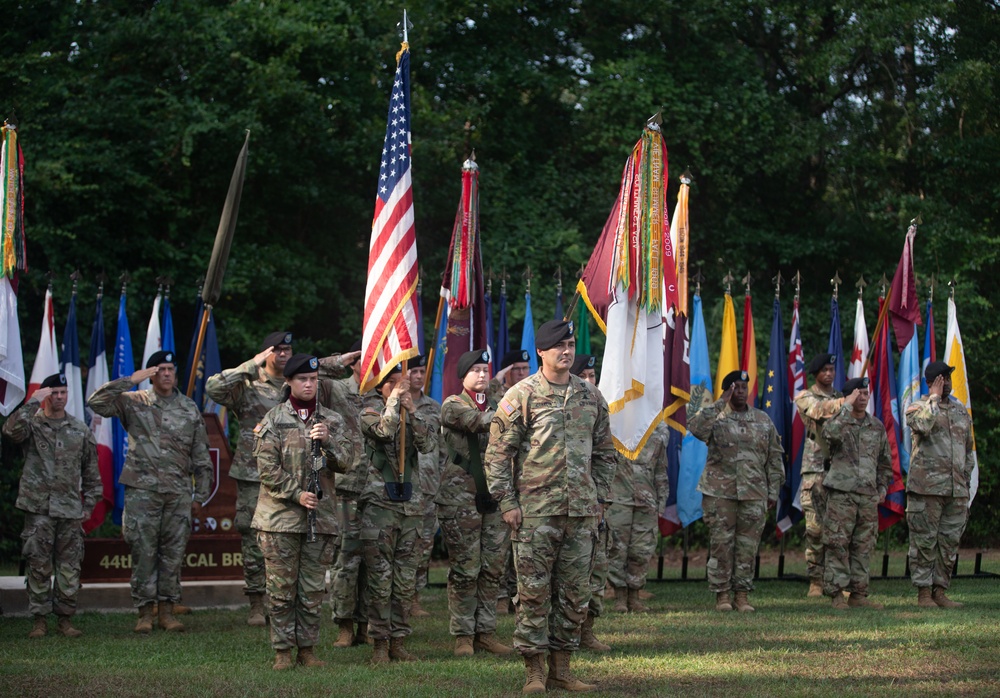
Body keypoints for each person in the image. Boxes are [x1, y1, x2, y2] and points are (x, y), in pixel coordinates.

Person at [485, 320, 617, 694]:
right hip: (535, 514)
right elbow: (497, 454)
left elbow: (606, 453)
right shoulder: (521, 395)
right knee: (533, 593)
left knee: (575, 594)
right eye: (559, 346)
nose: (567, 351)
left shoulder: (590, 396)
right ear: (541, 351)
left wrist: (600, 497)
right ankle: (534, 672)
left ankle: (562, 669)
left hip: (581, 514)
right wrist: (507, 502)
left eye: (571, 344)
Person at [88, 350, 212, 633]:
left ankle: (167, 611)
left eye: (170, 369)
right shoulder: (133, 402)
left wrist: (200, 496)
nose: (166, 374)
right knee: (143, 551)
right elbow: (96, 402)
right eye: (159, 370)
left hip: (178, 493)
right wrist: (129, 380)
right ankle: (145, 612)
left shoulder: (188, 407)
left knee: (172, 553)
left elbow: (201, 455)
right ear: (151, 374)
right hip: (142, 492)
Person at [252, 353, 360, 669]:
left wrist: (328, 442)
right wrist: (297, 494)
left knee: (311, 590)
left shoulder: (332, 420)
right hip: (280, 520)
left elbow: (347, 463)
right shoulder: (274, 420)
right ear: (289, 382)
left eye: (313, 379)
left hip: (320, 520)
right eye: (302, 379)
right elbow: (267, 470)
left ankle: (307, 650)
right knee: (282, 589)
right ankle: (283, 651)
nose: (309, 384)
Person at [204, 331, 293, 626]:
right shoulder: (247, 386)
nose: (283, 355)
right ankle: (256, 602)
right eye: (277, 350)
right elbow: (213, 389)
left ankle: (281, 599)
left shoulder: (298, 384)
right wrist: (249, 364)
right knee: (253, 536)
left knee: (286, 536)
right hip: (253, 473)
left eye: (287, 350)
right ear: (265, 353)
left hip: (290, 472)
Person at [3, 373, 101, 639]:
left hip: (70, 510)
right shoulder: (32, 425)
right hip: (39, 510)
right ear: (46, 394)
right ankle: (39, 620)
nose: (59, 398)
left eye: (63, 393)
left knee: (70, 567)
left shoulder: (80, 430)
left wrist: (89, 506)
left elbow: (92, 474)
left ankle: (65, 619)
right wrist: (31, 402)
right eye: (54, 392)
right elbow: (10, 431)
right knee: (38, 565)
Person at [438, 349, 514, 657]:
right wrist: (514, 414)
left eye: (485, 370)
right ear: (463, 376)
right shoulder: (453, 405)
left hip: (495, 495)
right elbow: (480, 423)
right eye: (476, 370)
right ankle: (463, 635)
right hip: (461, 499)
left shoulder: (497, 405)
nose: (482, 375)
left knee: (492, 568)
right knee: (465, 568)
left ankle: (485, 631)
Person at [359, 363, 436, 664]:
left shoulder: (410, 411)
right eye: (395, 383)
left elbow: (428, 444)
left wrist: (412, 411)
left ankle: (399, 640)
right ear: (381, 386)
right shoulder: (368, 412)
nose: (403, 388)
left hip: (411, 506)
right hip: (380, 506)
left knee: (405, 579)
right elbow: (383, 430)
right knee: (380, 579)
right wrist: (394, 403)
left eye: (403, 384)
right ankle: (379, 642)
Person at [689, 370, 783, 613]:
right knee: (721, 544)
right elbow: (696, 427)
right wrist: (721, 401)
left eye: (744, 387)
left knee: (747, 546)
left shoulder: (763, 420)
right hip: (721, 494)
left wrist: (773, 491)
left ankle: (742, 595)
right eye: (735, 387)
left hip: (754, 493)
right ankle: (722, 595)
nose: (740, 391)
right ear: (727, 390)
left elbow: (774, 457)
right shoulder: (716, 419)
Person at [905, 361, 976, 608]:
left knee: (948, 544)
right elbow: (922, 425)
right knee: (924, 542)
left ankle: (940, 591)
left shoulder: (959, 411)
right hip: (926, 489)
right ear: (932, 382)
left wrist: (965, 479)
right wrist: (933, 399)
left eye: (948, 378)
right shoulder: (917, 407)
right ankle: (923, 594)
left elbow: (968, 450)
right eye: (942, 378)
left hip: (955, 490)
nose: (946, 382)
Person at [821, 376, 892, 610]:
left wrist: (881, 488)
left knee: (864, 545)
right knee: (838, 543)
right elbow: (828, 434)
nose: (863, 398)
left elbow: (884, 462)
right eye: (858, 394)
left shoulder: (876, 426)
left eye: (865, 393)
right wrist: (845, 407)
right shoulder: (840, 421)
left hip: (867, 496)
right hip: (842, 495)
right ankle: (837, 594)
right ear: (849, 397)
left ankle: (858, 594)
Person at [327, 339, 372, 648]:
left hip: (377, 489)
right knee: (346, 559)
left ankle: (367, 624)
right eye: (365, 359)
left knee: (373, 561)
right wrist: (340, 359)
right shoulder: (337, 389)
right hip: (345, 487)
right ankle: (344, 624)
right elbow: (305, 375)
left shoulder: (384, 393)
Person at [571, 354, 614, 652]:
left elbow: (605, 456)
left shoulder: (599, 407)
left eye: (593, 375)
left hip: (592, 503)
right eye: (584, 375)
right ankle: (561, 634)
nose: (590, 381)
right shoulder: (557, 407)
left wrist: (602, 499)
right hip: (560, 505)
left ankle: (587, 630)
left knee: (596, 570)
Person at [793, 352, 844, 597]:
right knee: (815, 529)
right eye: (824, 370)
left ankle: (838, 581)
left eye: (831, 370)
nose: (829, 374)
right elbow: (819, 411)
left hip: (840, 471)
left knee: (839, 529)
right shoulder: (805, 396)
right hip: (814, 471)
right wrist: (846, 403)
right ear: (815, 374)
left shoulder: (842, 397)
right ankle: (816, 580)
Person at [608, 421, 668, 614]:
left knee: (641, 551)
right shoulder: (614, 429)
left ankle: (634, 596)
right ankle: (619, 597)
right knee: (617, 549)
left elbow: (660, 470)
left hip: (647, 501)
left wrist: (662, 501)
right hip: (618, 500)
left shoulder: (655, 431)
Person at [488, 349, 531, 615]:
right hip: (501, 484)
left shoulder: (535, 396)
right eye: (516, 369)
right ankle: (501, 598)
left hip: (527, 485)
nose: (522, 374)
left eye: (526, 369)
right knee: (500, 546)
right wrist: (497, 382)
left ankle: (519, 595)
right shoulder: (497, 399)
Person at [407, 354, 443, 619]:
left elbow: (443, 449)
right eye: (413, 372)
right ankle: (401, 596)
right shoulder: (393, 404)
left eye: (421, 372)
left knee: (424, 544)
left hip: (429, 486)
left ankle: (416, 597)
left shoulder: (433, 407)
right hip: (404, 485)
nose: (418, 377)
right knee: (404, 543)